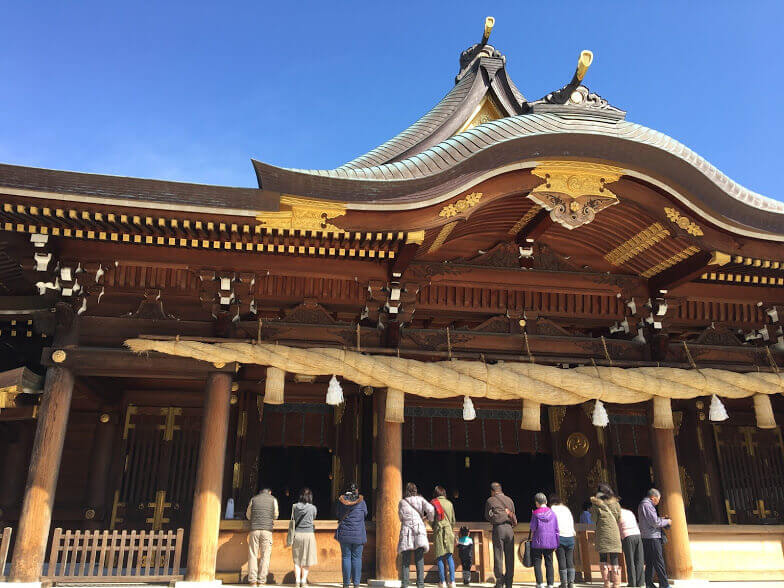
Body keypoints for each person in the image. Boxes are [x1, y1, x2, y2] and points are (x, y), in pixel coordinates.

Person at [398, 482, 435, 588]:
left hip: (407, 531)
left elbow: (400, 517)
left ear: (406, 491)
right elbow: (431, 509)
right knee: (419, 558)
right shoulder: (421, 500)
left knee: (406, 559)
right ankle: (420, 583)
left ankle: (405, 583)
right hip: (419, 530)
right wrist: (428, 519)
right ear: (415, 490)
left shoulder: (402, 502)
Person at [484, 482, 517, 588]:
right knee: (510, 556)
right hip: (509, 529)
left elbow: (487, 516)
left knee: (498, 555)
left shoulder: (490, 500)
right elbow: (513, 513)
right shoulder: (509, 500)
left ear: (492, 491)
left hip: (498, 529)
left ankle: (499, 581)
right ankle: (509, 582)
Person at [335, 483, 368, 588]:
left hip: (345, 533)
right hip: (358, 534)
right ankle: (356, 583)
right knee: (357, 558)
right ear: (356, 490)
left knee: (346, 557)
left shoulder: (341, 501)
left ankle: (346, 583)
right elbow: (365, 514)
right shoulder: (362, 502)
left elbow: (338, 514)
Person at [590, 484, 623, 588]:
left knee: (603, 558)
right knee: (614, 558)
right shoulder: (616, 503)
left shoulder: (596, 504)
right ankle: (616, 583)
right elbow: (619, 517)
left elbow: (593, 519)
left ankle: (606, 583)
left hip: (602, 533)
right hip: (614, 533)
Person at [638, 489, 671, 588]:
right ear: (653, 498)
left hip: (647, 537)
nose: (658, 502)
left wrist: (662, 519)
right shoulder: (647, 505)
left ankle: (649, 583)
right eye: (658, 500)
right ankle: (664, 584)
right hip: (652, 537)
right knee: (658, 561)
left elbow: (652, 520)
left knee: (650, 562)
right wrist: (667, 522)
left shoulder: (644, 505)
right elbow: (654, 522)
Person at [246, 488, 279, 587]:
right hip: (267, 530)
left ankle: (252, 581)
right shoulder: (273, 500)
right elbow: (276, 515)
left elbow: (248, 515)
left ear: (260, 492)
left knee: (253, 554)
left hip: (254, 530)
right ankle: (261, 581)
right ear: (270, 492)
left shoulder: (253, 499)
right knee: (265, 556)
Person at [530, 493, 559, 588]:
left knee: (537, 562)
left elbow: (533, 528)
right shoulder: (553, 513)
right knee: (549, 563)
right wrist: (557, 542)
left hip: (538, 541)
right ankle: (550, 584)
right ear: (546, 502)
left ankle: (539, 583)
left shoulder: (535, 513)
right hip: (550, 541)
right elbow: (556, 529)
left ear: (536, 503)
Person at [291, 488, 318, 588]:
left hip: (297, 534)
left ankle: (297, 581)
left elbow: (293, 518)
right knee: (307, 559)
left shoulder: (294, 507)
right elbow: (313, 517)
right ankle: (303, 581)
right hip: (309, 534)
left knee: (297, 559)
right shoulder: (313, 508)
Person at [431, 486, 457, 588]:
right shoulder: (450, 504)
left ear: (436, 493)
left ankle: (442, 582)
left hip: (438, 531)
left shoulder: (434, 503)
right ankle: (452, 582)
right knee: (449, 556)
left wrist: (434, 526)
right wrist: (450, 528)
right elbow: (453, 520)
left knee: (440, 557)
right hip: (448, 531)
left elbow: (431, 519)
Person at [549, 494, 575, 588]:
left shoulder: (552, 509)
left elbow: (551, 524)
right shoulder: (566, 509)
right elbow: (571, 522)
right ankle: (571, 582)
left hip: (559, 537)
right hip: (570, 536)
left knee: (562, 560)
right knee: (570, 560)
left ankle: (564, 582)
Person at [619, 504, 644, 587]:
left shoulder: (616, 514)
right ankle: (640, 582)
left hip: (627, 536)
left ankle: (632, 582)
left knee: (630, 560)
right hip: (637, 534)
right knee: (639, 559)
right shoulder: (629, 512)